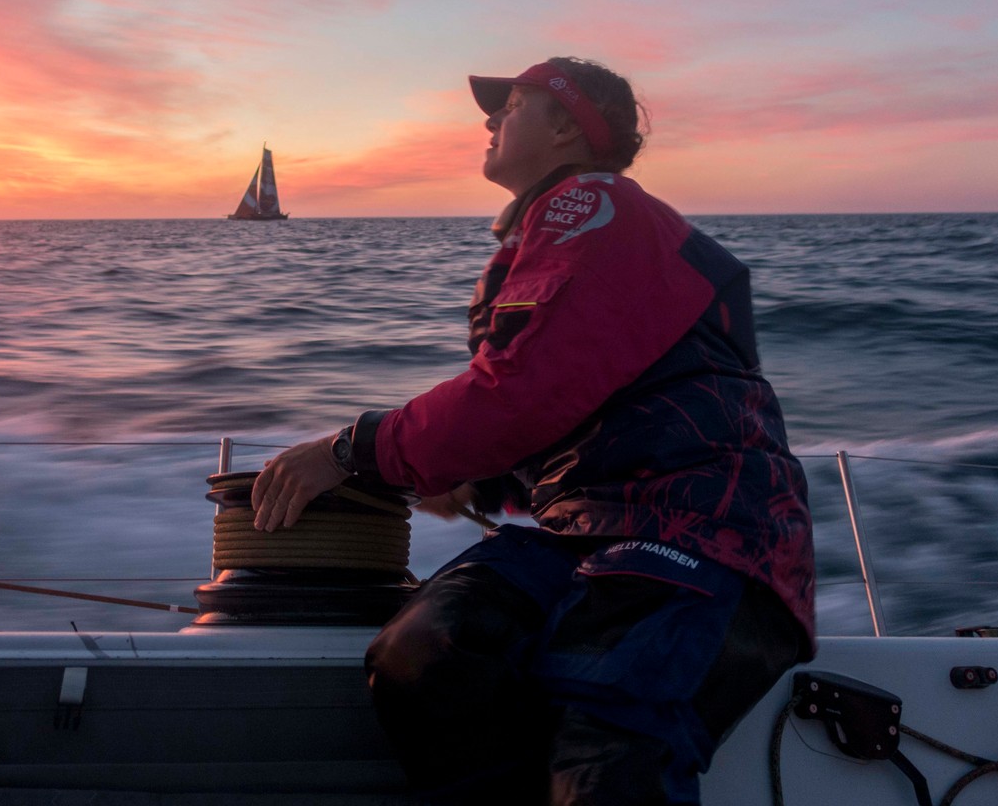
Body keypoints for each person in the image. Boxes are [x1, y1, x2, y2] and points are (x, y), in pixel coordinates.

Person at [251, 57, 815, 805]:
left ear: (567, 130)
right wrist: (478, 477)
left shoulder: (592, 205)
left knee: (604, 745)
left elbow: (521, 392)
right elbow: (571, 403)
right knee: (426, 654)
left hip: (704, 535)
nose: (490, 120)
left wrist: (351, 451)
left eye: (512, 105)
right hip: (588, 533)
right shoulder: (565, 231)